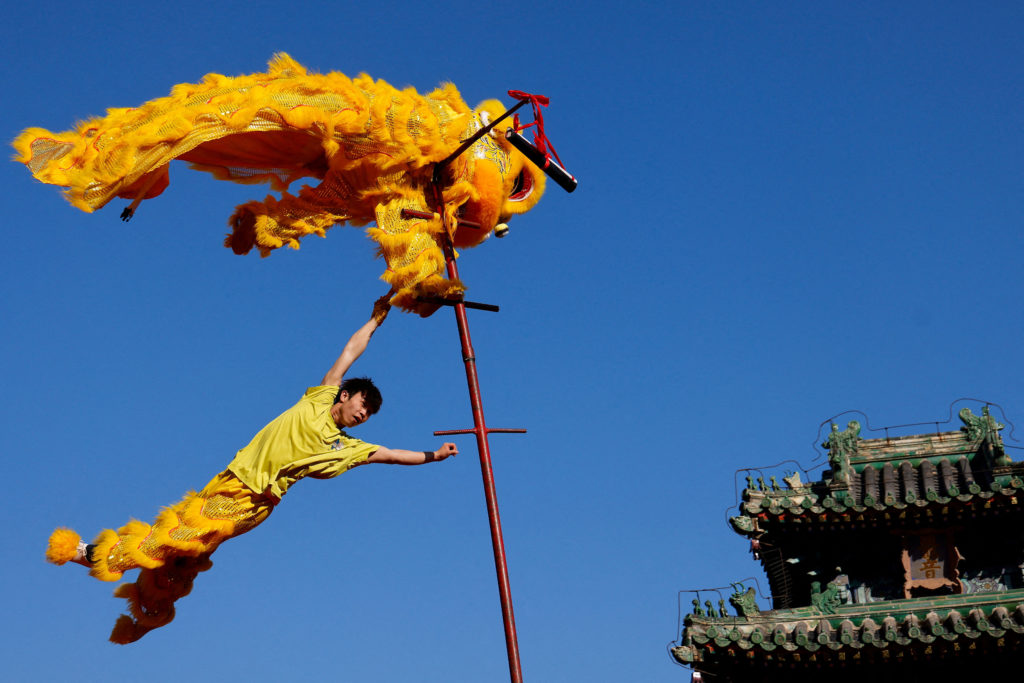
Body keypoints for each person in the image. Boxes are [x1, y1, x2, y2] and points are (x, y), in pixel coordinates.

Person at [45, 294, 457, 643]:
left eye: (369, 414)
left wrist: (433, 456)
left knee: (182, 537)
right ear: (345, 396)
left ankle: (93, 554)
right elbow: (349, 353)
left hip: (252, 502)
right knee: (185, 557)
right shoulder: (317, 399)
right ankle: (147, 613)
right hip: (228, 478)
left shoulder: (347, 448)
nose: (364, 415)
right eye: (362, 405)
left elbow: (390, 455)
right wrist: (377, 318)